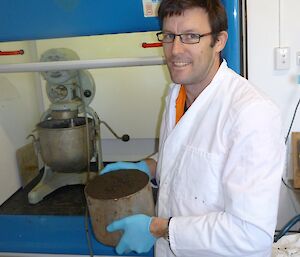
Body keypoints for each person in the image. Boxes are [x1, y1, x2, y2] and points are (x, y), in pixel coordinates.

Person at [101, 0, 285, 256]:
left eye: (191, 36)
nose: (175, 50)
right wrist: (148, 167)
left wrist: (157, 228)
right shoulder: (176, 94)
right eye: (169, 36)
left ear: (219, 41)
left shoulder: (252, 114)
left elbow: (250, 235)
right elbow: (186, 152)